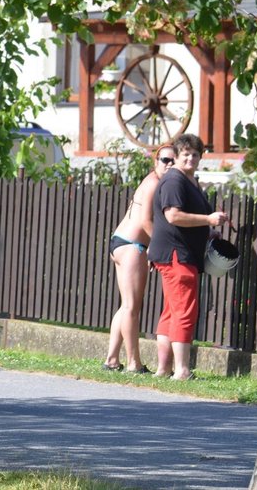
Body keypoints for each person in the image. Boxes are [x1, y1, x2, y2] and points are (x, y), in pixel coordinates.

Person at [147, 133, 230, 381]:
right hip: (177, 254)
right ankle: (181, 370)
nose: (191, 158)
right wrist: (207, 219)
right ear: (177, 155)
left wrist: (208, 231)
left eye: (195, 154)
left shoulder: (189, 181)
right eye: (186, 154)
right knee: (184, 310)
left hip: (180, 252)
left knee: (172, 311)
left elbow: (183, 220)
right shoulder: (175, 180)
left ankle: (163, 369)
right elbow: (173, 216)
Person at [102, 145, 176, 374]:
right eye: (165, 160)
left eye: (173, 161)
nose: (169, 164)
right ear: (156, 161)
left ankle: (112, 359)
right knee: (132, 306)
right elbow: (145, 222)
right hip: (132, 246)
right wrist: (157, 248)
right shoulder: (154, 183)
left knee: (126, 305)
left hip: (121, 241)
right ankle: (134, 362)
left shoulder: (151, 180)